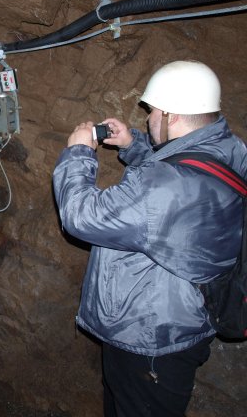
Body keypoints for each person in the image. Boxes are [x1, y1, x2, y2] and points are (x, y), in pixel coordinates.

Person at [52, 60, 247, 416]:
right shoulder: (232, 149)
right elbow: (185, 169)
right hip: (186, 320)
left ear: (172, 115)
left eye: (153, 111)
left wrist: (78, 152)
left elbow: (80, 216)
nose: (147, 118)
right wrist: (134, 145)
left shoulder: (162, 186)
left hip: (149, 337)